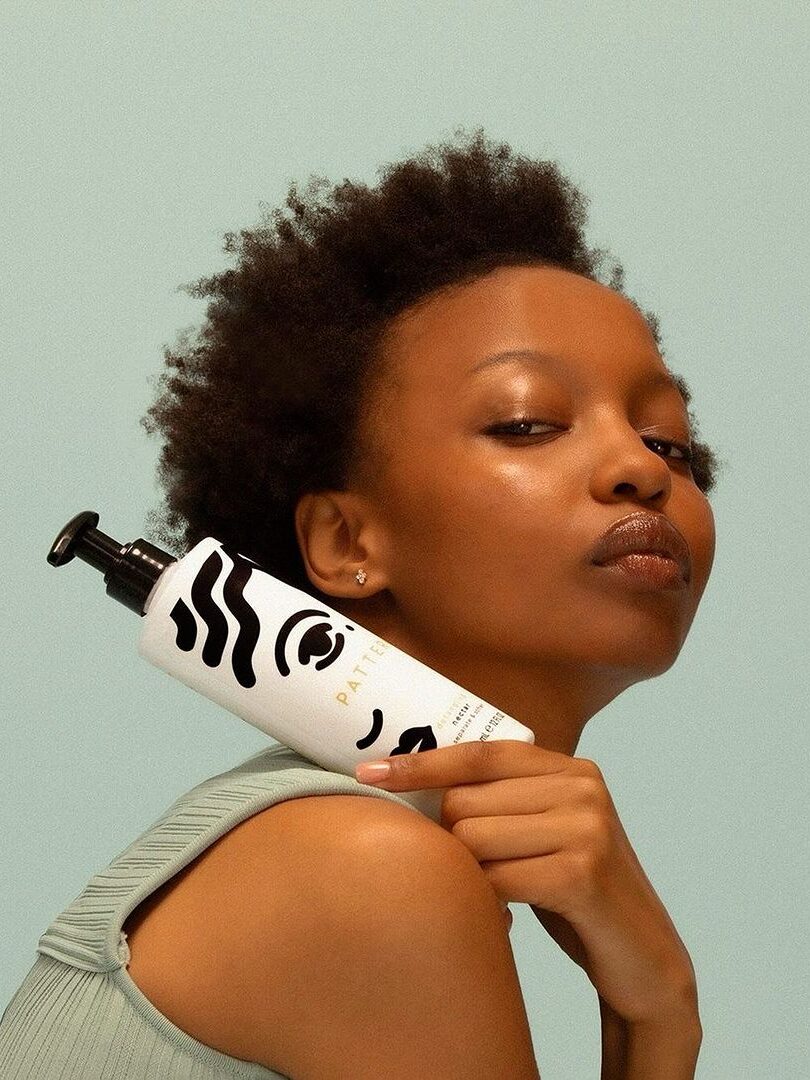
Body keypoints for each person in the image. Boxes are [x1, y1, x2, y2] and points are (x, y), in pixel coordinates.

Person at [0, 127, 720, 1079]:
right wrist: (662, 1011)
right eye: (527, 422)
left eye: (668, 440)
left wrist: (657, 1015)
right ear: (347, 544)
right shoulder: (364, 866)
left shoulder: (354, 835)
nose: (639, 467)